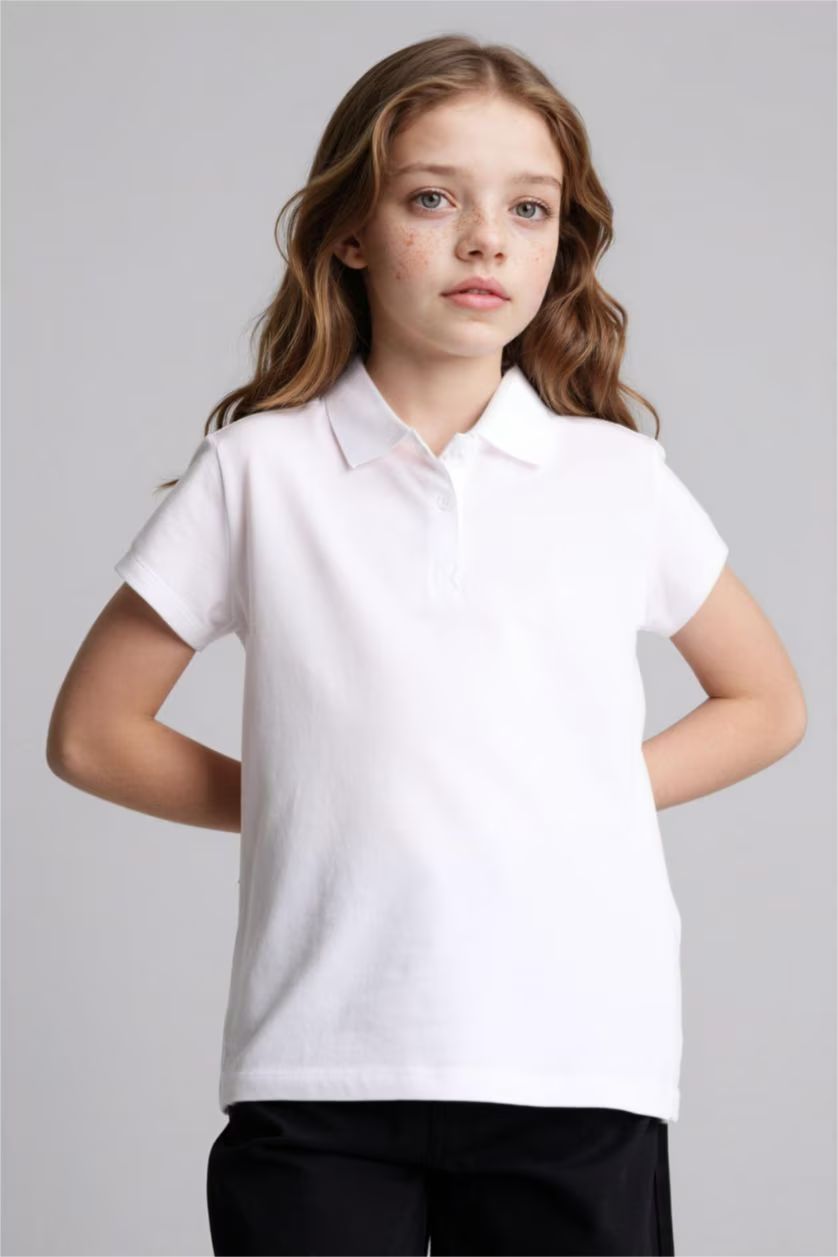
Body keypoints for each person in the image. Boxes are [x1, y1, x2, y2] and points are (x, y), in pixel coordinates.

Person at [46, 34, 807, 1257]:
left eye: (528, 207)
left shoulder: (616, 478)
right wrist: (317, 800)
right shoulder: (259, 471)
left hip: (575, 1061)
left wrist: (575, 793)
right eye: (432, 199)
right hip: (320, 1065)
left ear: (561, 243)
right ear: (351, 230)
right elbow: (93, 735)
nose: (485, 240)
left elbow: (765, 703)